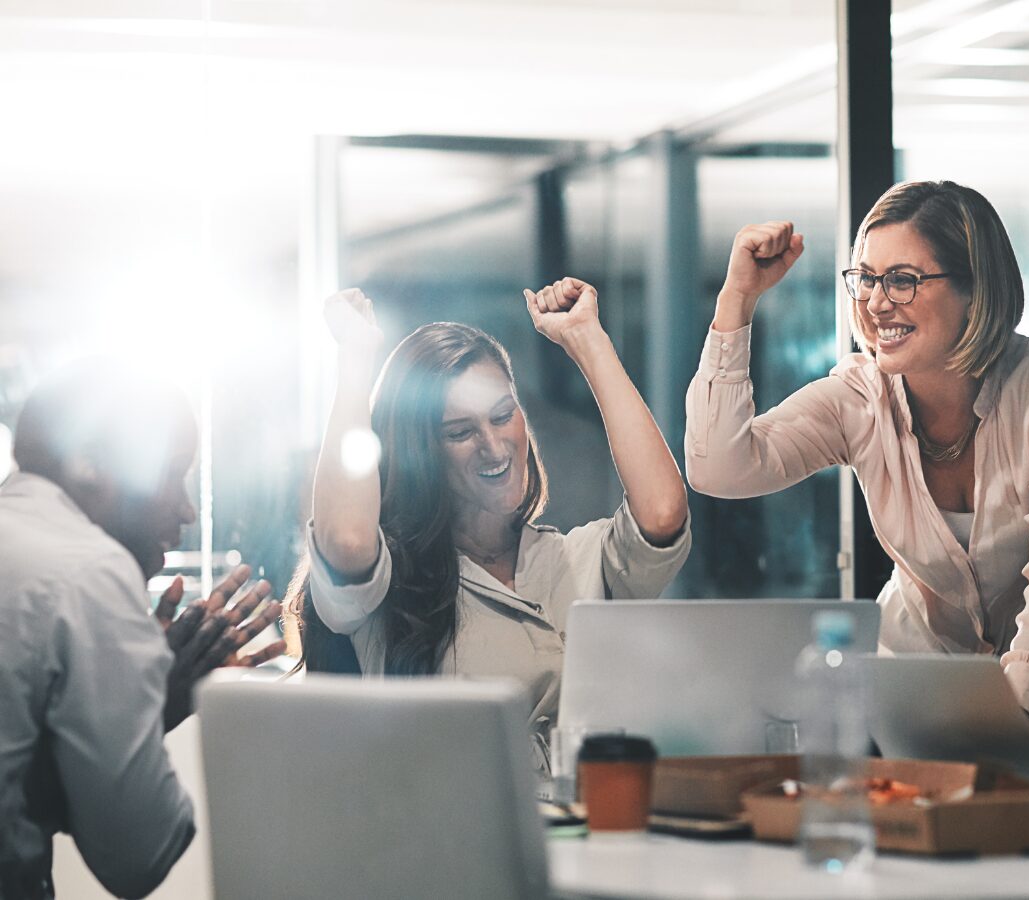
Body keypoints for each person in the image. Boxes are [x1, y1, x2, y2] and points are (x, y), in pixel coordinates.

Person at [685, 180, 1029, 785]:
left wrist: (1002, 727)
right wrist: (737, 299)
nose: (876, 303)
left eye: (902, 279)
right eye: (866, 279)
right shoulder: (858, 397)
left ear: (974, 289)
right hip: (926, 687)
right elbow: (718, 467)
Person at [286, 280, 689, 768]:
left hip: (592, 835)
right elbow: (348, 538)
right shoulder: (389, 581)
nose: (494, 447)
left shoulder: (574, 558)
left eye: (503, 416)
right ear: (419, 451)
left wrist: (588, 339)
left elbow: (663, 511)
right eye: (460, 432)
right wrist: (354, 361)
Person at [0, 361, 285, 900]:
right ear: (89, 462)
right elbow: (140, 858)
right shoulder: (88, 569)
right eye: (171, 471)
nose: (186, 508)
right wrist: (155, 702)